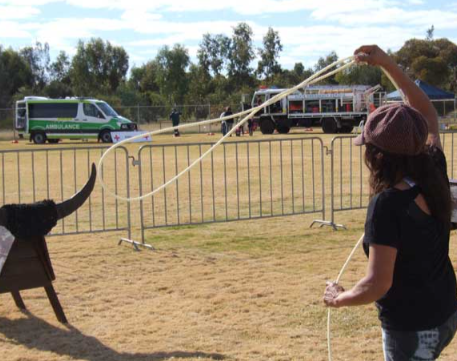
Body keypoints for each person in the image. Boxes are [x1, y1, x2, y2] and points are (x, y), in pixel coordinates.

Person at [323, 45, 457, 361]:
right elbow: (426, 113)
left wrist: (339, 299)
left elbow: (377, 284)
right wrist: (387, 64)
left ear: (378, 156)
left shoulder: (387, 205)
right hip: (446, 314)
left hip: (412, 331)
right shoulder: (432, 166)